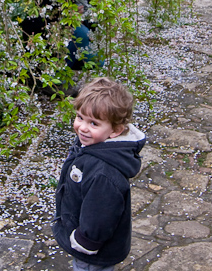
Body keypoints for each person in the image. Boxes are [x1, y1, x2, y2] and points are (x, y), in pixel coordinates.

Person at [53, 77, 146, 271]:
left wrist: (84, 241)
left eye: (94, 123)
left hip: (93, 251)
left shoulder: (104, 174)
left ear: (115, 131)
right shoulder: (91, 145)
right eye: (80, 118)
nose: (83, 128)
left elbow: (101, 213)